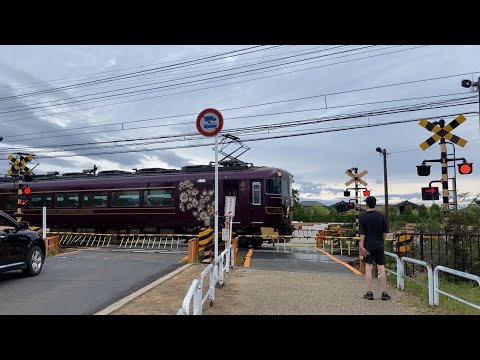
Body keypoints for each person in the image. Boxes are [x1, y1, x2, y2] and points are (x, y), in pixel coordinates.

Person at [359, 196, 391, 300]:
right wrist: (382, 241)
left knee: (368, 268)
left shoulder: (363, 217)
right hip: (379, 245)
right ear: (375, 204)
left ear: (367, 204)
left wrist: (362, 246)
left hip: (368, 246)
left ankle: (369, 293)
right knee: (381, 269)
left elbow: (362, 234)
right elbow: (385, 233)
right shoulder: (381, 216)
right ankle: (384, 293)